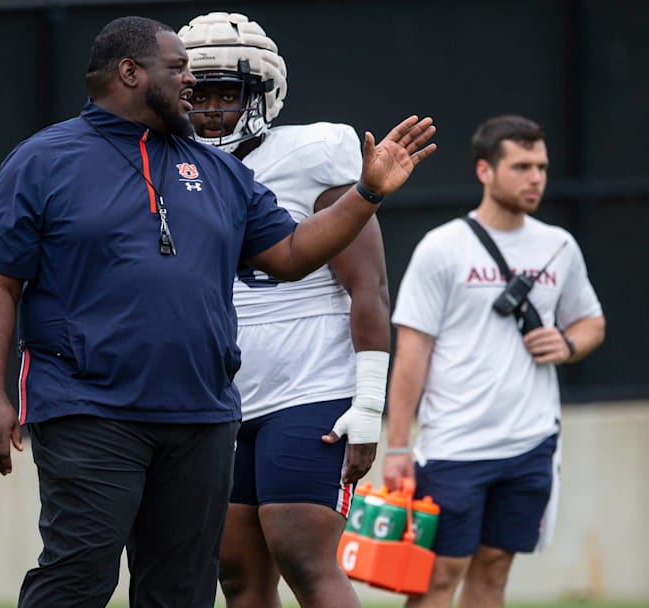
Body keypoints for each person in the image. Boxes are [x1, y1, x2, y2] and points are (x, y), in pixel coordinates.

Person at [0, 14, 434, 608]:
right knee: (79, 574)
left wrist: (366, 193)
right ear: (130, 73)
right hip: (91, 406)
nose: (191, 82)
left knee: (183, 589)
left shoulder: (217, 169)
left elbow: (290, 255)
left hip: (202, 415)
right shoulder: (43, 160)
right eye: (178, 68)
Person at [177, 12, 386, 608]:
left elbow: (368, 288)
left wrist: (368, 404)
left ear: (262, 93)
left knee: (303, 553)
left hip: (309, 384)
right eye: (201, 92)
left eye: (228, 92)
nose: (213, 108)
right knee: (237, 572)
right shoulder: (168, 165)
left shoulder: (313, 153)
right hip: (220, 394)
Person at [382, 115, 604, 608]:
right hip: (455, 442)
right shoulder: (442, 247)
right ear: (485, 170)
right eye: (522, 166)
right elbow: (412, 355)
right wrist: (397, 449)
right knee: (438, 575)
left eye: (542, 167)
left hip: (530, 442)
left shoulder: (559, 246)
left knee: (495, 572)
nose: (536, 178)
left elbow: (591, 322)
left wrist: (567, 345)